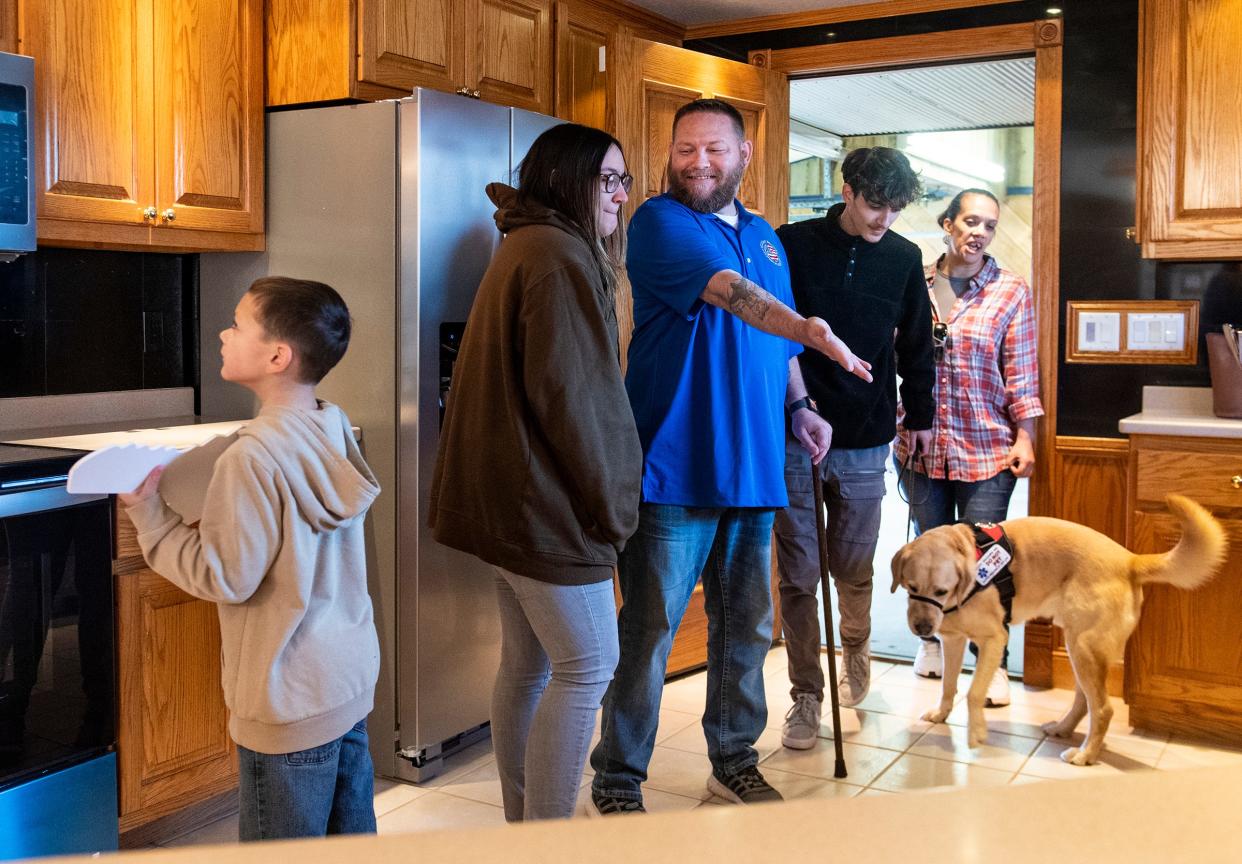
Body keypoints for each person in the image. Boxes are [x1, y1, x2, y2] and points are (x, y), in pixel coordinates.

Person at [589, 99, 871, 815]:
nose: (698, 162)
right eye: (685, 148)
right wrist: (812, 329)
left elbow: (771, 345)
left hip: (753, 463)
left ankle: (733, 760)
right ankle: (619, 775)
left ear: (745, 154)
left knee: (746, 626)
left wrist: (801, 406)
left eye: (714, 148)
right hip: (672, 466)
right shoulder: (658, 221)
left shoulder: (767, 238)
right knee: (649, 630)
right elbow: (732, 296)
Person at [429, 123, 643, 822]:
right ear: (566, 179)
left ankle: (524, 824)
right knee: (587, 667)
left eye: (622, 180)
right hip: (547, 509)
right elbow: (577, 401)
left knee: (527, 668)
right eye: (606, 179)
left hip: (507, 504)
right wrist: (613, 509)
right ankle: (548, 836)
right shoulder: (557, 254)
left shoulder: (527, 241)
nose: (618, 195)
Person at [119, 277, 381, 841]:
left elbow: (225, 577)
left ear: (276, 355)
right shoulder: (331, 425)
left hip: (286, 702)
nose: (223, 332)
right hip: (345, 684)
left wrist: (149, 515)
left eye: (237, 324)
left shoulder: (252, 458)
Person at [772, 146, 935, 750]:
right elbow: (770, 328)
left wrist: (920, 415)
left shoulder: (903, 258)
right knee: (797, 572)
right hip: (794, 430)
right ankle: (806, 695)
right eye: (873, 203)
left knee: (853, 567)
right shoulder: (793, 243)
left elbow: (917, 344)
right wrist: (794, 406)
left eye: (894, 207)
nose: (882, 218)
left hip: (867, 437)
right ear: (847, 190)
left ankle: (857, 650)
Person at [894, 188, 1044, 707]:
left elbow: (1021, 372)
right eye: (970, 222)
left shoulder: (1010, 290)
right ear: (948, 224)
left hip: (986, 450)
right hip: (921, 446)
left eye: (988, 226)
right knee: (930, 555)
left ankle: (992, 660)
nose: (978, 233)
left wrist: (1027, 434)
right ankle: (934, 642)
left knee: (986, 561)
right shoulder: (914, 283)